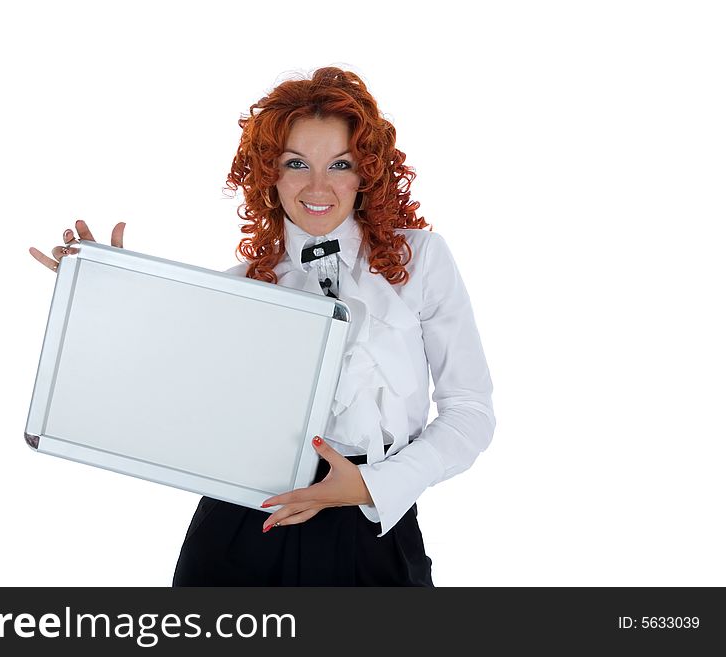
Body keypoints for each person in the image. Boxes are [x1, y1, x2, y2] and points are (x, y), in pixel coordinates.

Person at [28, 66, 496, 587]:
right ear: (269, 173)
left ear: (367, 171)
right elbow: (158, 402)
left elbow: (471, 413)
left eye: (339, 164)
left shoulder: (422, 261)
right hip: (245, 527)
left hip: (376, 526)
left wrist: (370, 486)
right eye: (297, 163)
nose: (318, 186)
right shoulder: (239, 288)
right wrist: (112, 295)